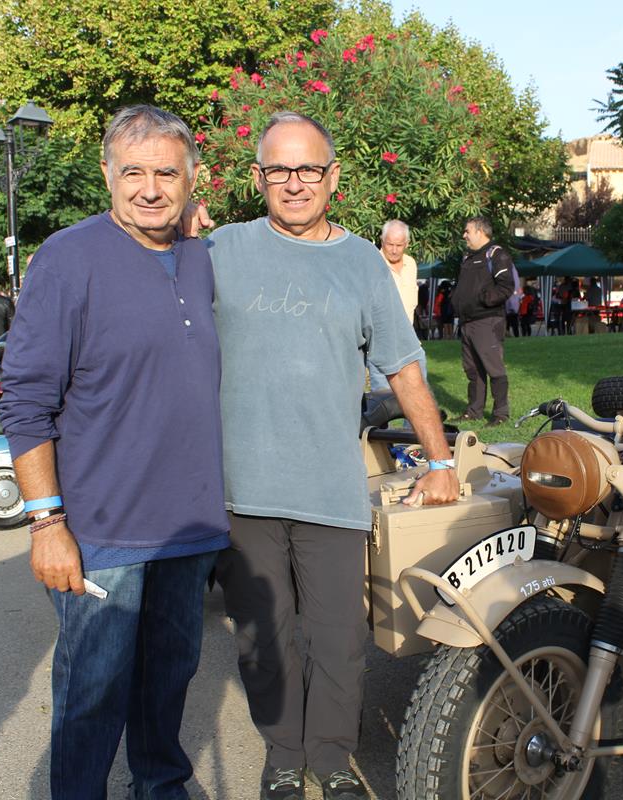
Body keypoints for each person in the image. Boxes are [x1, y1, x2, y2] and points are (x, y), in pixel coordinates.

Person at [208, 111, 459, 800]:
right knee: (264, 639)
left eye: (308, 169)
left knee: (338, 640)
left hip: (329, 491)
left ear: (333, 176)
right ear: (258, 177)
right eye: (279, 170)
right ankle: (284, 757)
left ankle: (331, 756)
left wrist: (439, 461)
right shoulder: (221, 251)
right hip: (243, 490)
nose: (295, 183)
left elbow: (405, 367)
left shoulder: (361, 264)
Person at [0, 105, 228, 800]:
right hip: (102, 533)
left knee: (169, 679)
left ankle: (159, 785)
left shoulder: (197, 253)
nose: (151, 188)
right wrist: (46, 523)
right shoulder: (68, 258)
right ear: (107, 174)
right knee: (92, 696)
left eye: (167, 172)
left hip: (188, 529)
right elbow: (25, 400)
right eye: (134, 172)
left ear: (192, 179)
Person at [452, 216, 515, 425]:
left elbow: (506, 287)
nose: (464, 235)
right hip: (468, 322)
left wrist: (485, 299)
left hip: (487, 321)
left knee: (494, 368)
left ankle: (500, 414)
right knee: (472, 370)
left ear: (480, 232)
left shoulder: (496, 255)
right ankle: (474, 411)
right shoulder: (468, 258)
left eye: (467, 231)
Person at [367, 220, 426, 391]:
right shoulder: (372, 264)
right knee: (383, 399)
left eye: (399, 245)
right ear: (382, 240)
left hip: (410, 340)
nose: (393, 250)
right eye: (389, 244)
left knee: (419, 394)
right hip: (381, 343)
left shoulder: (411, 264)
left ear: (406, 244)